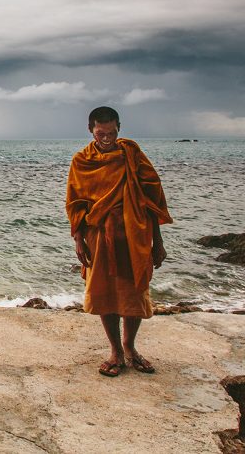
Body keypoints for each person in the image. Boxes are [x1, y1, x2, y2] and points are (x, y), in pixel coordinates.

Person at [65, 106, 171, 377]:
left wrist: (157, 243)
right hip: (99, 236)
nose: (107, 138)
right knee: (105, 293)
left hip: (135, 233)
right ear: (91, 130)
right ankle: (115, 351)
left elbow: (152, 200)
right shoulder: (81, 161)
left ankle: (130, 347)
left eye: (111, 132)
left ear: (118, 128)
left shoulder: (132, 155)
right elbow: (75, 204)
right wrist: (78, 239)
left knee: (133, 291)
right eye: (101, 133)